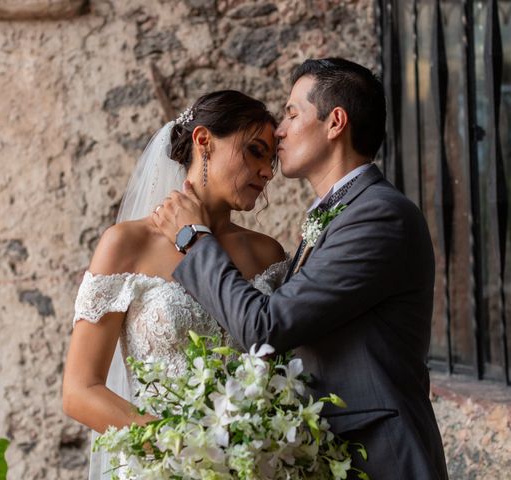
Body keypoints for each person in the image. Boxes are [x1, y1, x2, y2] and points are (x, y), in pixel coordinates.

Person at [153, 58, 449, 479]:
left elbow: (265, 328)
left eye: (292, 113)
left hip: (383, 458)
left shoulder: (379, 216)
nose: (279, 130)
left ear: (335, 123)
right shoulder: (342, 214)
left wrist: (194, 240)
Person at [62, 90, 289, 479]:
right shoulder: (126, 244)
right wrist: (181, 449)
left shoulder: (267, 255)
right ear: (203, 141)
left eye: (271, 160)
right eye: (254, 151)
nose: (267, 172)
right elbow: (80, 391)